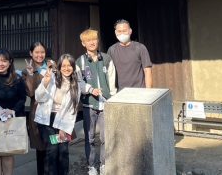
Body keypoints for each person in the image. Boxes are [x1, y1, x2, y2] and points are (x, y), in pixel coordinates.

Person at [35, 54, 101, 175]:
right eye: (63, 65)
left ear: (73, 67)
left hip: (63, 120)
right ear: (59, 67)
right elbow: (38, 97)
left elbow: (72, 109)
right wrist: (45, 81)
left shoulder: (75, 83)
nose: (66, 68)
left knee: (63, 150)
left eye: (69, 65)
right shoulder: (51, 77)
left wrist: (63, 128)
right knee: (53, 149)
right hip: (47, 119)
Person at [76, 29, 117, 175]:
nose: (92, 42)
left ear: (97, 41)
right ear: (83, 43)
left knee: (106, 137)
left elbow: (112, 81)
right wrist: (89, 89)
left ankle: (104, 164)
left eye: (94, 39)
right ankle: (92, 166)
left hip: (106, 103)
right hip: (89, 104)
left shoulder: (106, 59)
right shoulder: (79, 61)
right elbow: (79, 82)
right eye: (88, 40)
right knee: (90, 137)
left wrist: (112, 98)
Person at [0, 49, 27, 175]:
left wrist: (12, 110)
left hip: (10, 119)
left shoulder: (17, 78)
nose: (0, 64)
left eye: (4, 61)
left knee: (7, 153)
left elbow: (22, 98)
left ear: (10, 62)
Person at [22, 42, 52, 175]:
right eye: (36, 52)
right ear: (31, 53)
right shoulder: (27, 70)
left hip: (53, 110)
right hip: (37, 110)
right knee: (41, 148)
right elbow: (30, 93)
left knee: (55, 145)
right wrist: (30, 75)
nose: (40, 55)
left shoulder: (52, 66)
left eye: (42, 52)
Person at [107, 19, 153, 90]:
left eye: (124, 31)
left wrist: (148, 91)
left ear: (130, 31)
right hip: (120, 92)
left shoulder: (140, 48)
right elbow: (109, 72)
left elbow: (147, 71)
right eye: (119, 31)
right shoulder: (112, 50)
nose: (122, 33)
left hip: (139, 90)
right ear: (115, 32)